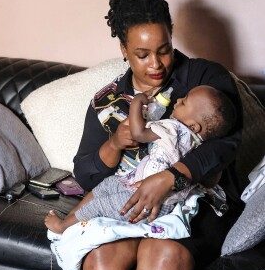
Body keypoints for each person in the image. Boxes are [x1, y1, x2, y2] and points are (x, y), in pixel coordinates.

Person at [52, 0, 243, 270]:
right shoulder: (106, 102)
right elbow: (85, 173)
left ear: (172, 36)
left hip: (193, 207)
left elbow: (227, 143)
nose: (156, 64)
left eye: (164, 49)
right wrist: (114, 144)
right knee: (100, 258)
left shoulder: (202, 78)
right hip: (129, 211)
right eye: (142, 54)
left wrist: (171, 178)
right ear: (124, 50)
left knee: (161, 253)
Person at [45, 84, 236, 234]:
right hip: (163, 201)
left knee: (100, 202)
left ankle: (63, 227)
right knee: (109, 184)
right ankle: (71, 219)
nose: (178, 100)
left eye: (184, 102)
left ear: (193, 125)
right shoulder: (200, 145)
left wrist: (137, 103)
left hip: (143, 200)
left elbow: (138, 133)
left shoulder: (173, 128)